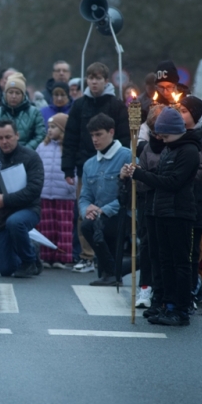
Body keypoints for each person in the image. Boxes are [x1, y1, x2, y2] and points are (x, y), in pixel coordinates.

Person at [126, 106, 201, 326]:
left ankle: (181, 309)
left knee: (180, 263)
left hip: (179, 213)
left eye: (165, 135)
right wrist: (135, 173)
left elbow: (173, 182)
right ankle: (167, 305)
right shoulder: (169, 148)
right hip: (161, 211)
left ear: (176, 131)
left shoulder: (189, 151)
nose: (162, 139)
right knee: (164, 261)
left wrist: (141, 174)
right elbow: (159, 175)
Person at [62, 62, 130, 272]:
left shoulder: (116, 105)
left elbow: (125, 135)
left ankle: (108, 258)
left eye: (98, 78)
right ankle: (87, 255)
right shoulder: (80, 105)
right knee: (85, 212)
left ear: (106, 81)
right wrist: (67, 168)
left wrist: (124, 163)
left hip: (114, 166)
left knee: (111, 210)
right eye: (90, 78)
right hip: (86, 165)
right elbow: (71, 136)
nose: (93, 82)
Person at [77, 113, 132, 286]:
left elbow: (133, 193)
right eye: (92, 135)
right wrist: (86, 209)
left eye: (99, 134)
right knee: (87, 223)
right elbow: (85, 195)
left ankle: (114, 272)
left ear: (111, 132)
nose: (94, 139)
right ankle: (114, 271)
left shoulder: (127, 156)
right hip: (100, 218)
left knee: (89, 226)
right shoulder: (90, 164)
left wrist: (104, 210)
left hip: (124, 214)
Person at [0, 120, 44, 278]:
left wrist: (5, 200)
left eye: (8, 137)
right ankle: (30, 248)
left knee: (15, 222)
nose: (4, 142)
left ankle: (29, 260)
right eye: (0, 138)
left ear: (17, 135)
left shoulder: (31, 157)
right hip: (2, 215)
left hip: (27, 209)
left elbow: (34, 189)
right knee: (6, 270)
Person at [179, 95, 202, 304]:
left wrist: (178, 177)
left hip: (195, 204)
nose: (181, 115)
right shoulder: (178, 136)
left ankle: (192, 289)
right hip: (180, 202)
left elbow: (201, 173)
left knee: (192, 253)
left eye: (184, 111)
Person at [133, 104, 165, 308]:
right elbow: (142, 180)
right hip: (148, 203)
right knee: (146, 246)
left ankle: (164, 291)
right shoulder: (145, 147)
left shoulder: (180, 146)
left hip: (170, 204)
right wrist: (136, 174)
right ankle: (145, 287)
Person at [36, 113, 76, 268]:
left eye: (53, 127)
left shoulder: (68, 148)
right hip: (45, 192)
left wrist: (71, 185)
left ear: (63, 129)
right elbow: (37, 167)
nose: (50, 130)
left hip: (64, 194)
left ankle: (62, 257)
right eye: (49, 127)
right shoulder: (42, 146)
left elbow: (74, 169)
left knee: (64, 227)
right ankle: (46, 256)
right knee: (47, 226)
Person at [0, 73, 46, 149]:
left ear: (23, 95)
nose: (14, 96)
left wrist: (25, 150)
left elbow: (41, 135)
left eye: (17, 93)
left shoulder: (34, 112)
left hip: (28, 155)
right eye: (10, 92)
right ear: (5, 94)